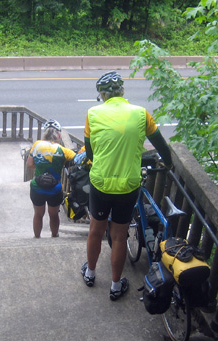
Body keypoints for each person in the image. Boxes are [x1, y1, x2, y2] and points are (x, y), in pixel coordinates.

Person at [81, 71, 174, 300]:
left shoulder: (92, 114)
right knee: (120, 235)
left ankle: (90, 273)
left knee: (96, 229)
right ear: (123, 91)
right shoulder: (141, 114)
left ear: (102, 95)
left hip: (101, 183)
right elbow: (161, 146)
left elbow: (91, 152)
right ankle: (115, 286)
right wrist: (168, 164)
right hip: (128, 185)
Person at [27, 120, 76, 238]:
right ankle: (54, 235)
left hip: (37, 187)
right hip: (54, 188)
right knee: (54, 214)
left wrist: (40, 165)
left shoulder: (37, 145)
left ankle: (37, 237)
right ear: (58, 135)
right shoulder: (63, 150)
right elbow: (77, 160)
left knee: (38, 214)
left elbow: (29, 164)